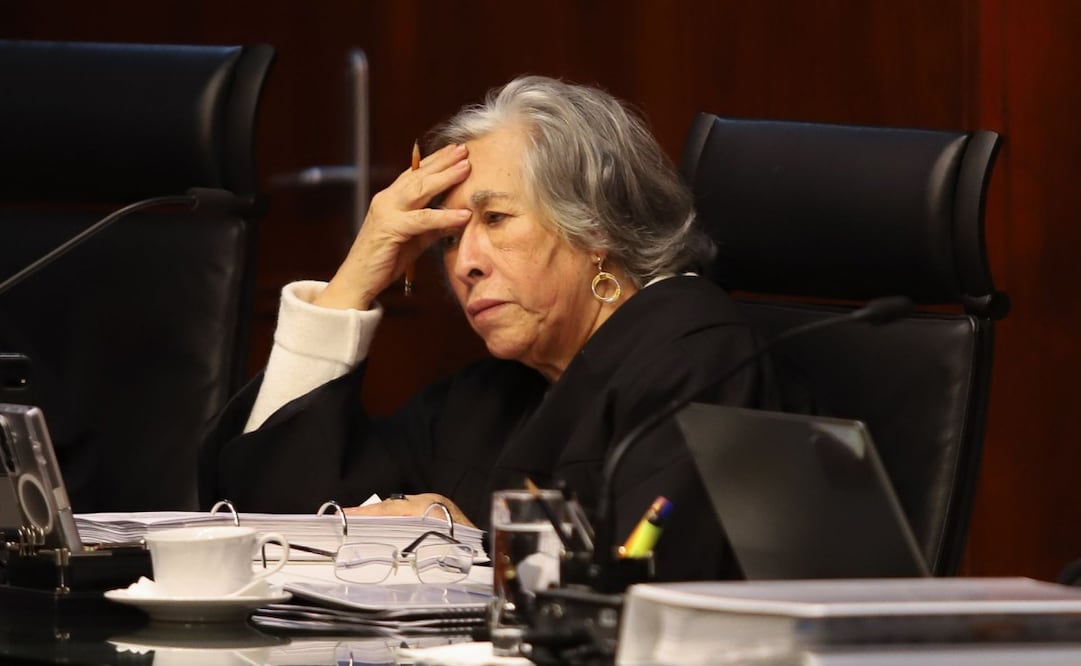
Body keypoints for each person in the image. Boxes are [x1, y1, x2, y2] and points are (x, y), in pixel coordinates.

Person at [199, 75, 779, 581]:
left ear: (597, 224)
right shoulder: (485, 396)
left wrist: (473, 549)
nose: (463, 263)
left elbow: (654, 579)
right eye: (448, 240)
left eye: (496, 218)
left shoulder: (695, 356)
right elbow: (275, 520)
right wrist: (352, 282)